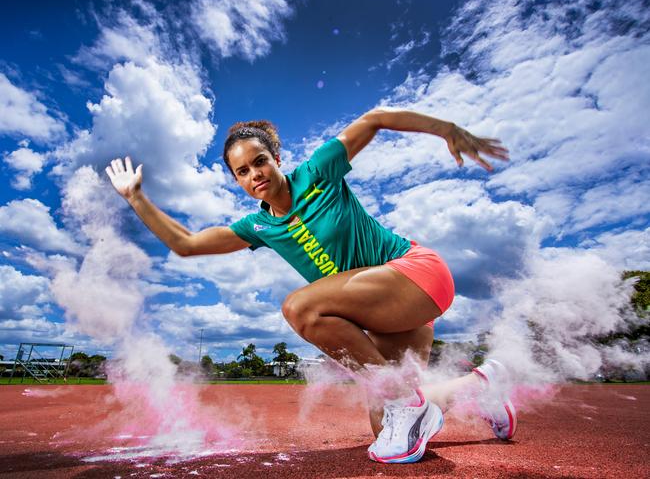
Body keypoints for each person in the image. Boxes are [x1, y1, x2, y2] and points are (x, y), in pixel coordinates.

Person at [106, 107, 514, 463]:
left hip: (416, 274)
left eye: (260, 161)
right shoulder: (259, 226)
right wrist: (136, 197)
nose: (255, 175)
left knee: (301, 308)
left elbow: (376, 119)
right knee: (387, 423)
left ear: (277, 158)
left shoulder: (318, 173)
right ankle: (480, 386)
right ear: (237, 181)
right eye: (242, 172)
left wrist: (447, 129)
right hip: (393, 316)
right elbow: (187, 244)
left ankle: (404, 400)